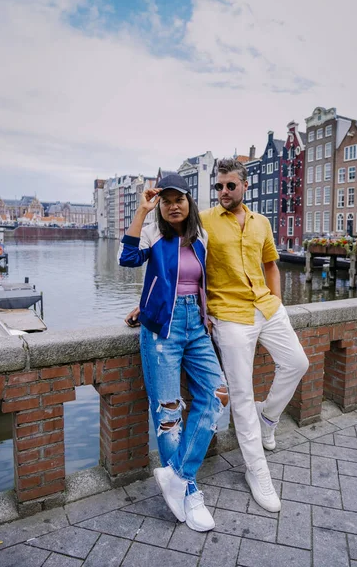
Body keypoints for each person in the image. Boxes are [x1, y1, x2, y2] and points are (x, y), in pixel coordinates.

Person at [118, 174, 228, 532]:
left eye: (178, 198)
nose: (172, 205)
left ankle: (177, 475)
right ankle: (190, 492)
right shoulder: (153, 232)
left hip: (196, 325)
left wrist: (206, 312)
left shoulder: (201, 238)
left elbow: (199, 282)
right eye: (165, 201)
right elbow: (128, 258)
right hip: (161, 330)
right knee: (167, 414)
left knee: (217, 394)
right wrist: (142, 210)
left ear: (189, 201)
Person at [200, 158, 309, 513]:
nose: (224, 192)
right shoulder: (203, 221)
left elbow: (270, 265)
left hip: (266, 307)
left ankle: (269, 418)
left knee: (297, 362)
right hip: (229, 314)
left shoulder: (262, 222)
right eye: (219, 186)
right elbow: (177, 260)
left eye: (230, 186)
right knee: (242, 394)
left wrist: (276, 303)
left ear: (244, 186)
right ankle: (255, 469)